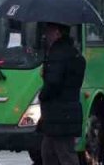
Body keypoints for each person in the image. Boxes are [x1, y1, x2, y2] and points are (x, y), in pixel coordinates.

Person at [37, 23, 86, 165]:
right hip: (66, 112)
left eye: (49, 31)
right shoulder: (74, 53)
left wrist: (42, 95)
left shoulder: (57, 54)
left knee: (63, 154)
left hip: (58, 114)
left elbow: (53, 83)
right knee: (49, 151)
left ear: (58, 33)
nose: (46, 35)